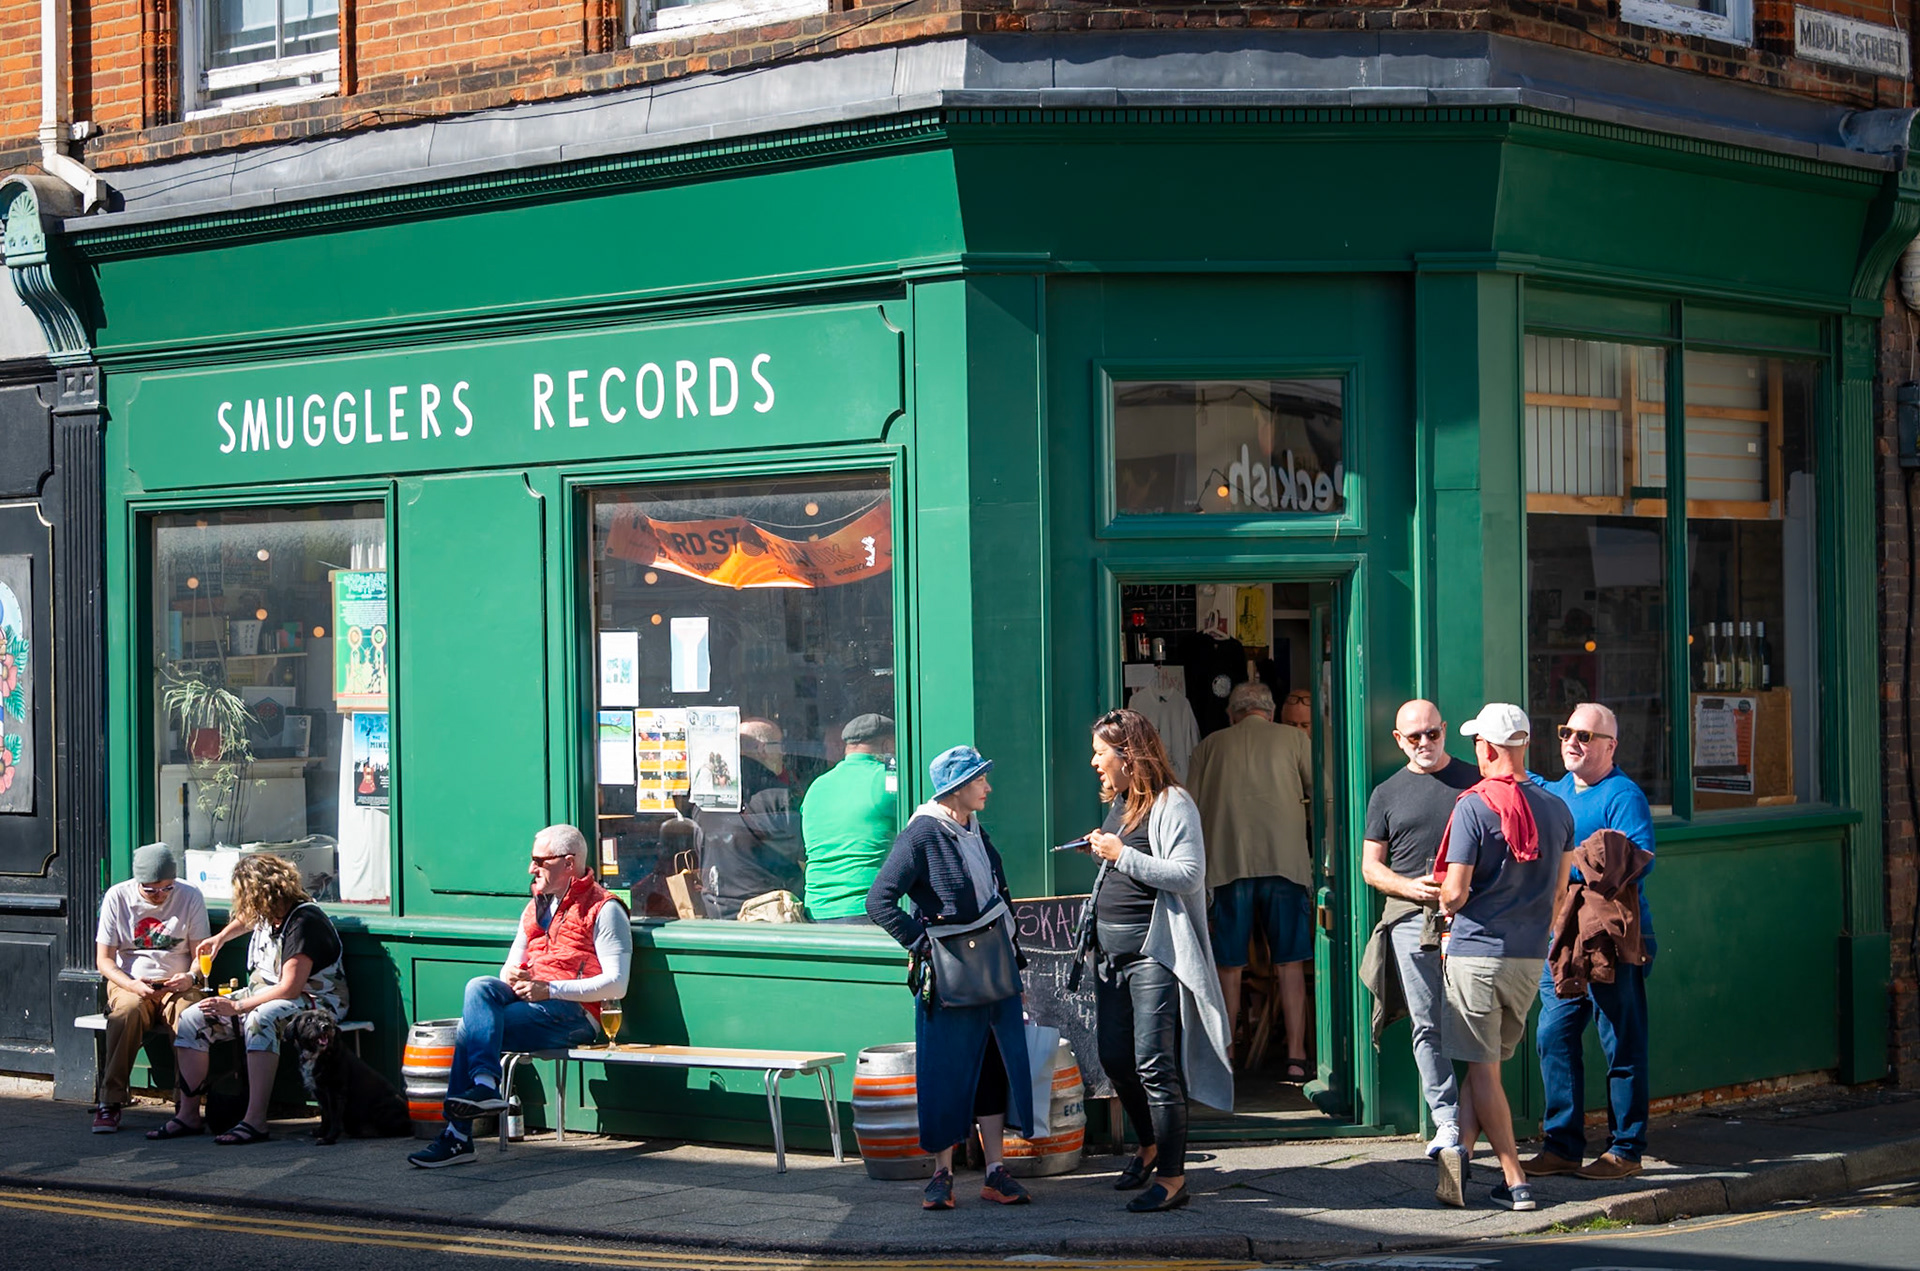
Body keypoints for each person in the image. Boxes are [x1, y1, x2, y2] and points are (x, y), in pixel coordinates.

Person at [865, 745, 1034, 1211]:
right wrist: (924, 945)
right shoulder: (921, 834)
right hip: (947, 978)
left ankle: (996, 1172)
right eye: (981, 780)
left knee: (994, 1068)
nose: (989, 787)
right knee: (945, 1071)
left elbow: (997, 896)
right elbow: (878, 902)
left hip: (994, 971)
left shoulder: (975, 830)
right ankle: (941, 1175)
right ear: (957, 788)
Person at [408, 824, 632, 1168]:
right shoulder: (535, 907)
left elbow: (617, 984)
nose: (531, 868)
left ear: (568, 863)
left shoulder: (604, 908)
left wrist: (550, 989)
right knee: (479, 986)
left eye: (539, 861)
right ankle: (483, 1087)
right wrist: (513, 975)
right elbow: (508, 969)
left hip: (574, 1015)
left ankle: (459, 1133)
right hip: (531, 1002)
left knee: (471, 1031)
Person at [1083, 709, 1234, 1213]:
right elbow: (1123, 858)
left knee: (1154, 1064)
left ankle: (1172, 1178)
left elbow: (1190, 875)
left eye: (1101, 754)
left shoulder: (1174, 803)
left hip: (1153, 954)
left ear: (1129, 755)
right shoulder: (1122, 803)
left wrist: (1120, 855)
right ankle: (1147, 1146)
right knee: (1114, 1058)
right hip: (1111, 954)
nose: (1094, 762)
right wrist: (1106, 852)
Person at [1433, 703, 1574, 1213]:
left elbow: (1455, 892)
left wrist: (1440, 896)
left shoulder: (1472, 807)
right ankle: (1462, 1161)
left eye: (1477, 742)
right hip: (1528, 958)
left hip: (1476, 952)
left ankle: (1515, 1179)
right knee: (1482, 1065)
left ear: (1487, 749)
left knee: (1485, 1072)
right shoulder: (1558, 808)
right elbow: (1560, 892)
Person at [1528, 702, 1657, 1181]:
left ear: (1610, 746)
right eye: (1567, 732)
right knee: (1552, 1036)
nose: (1573, 742)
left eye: (1586, 735)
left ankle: (1626, 1149)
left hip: (1610, 942)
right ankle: (1562, 1145)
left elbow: (1639, 859)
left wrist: (1571, 867)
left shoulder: (1623, 795)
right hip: (1562, 941)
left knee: (1620, 1041)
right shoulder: (1554, 791)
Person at [148, 852, 349, 1146]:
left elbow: (290, 988)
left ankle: (255, 1120)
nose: (243, 904)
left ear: (263, 895)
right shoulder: (270, 911)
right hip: (265, 993)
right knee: (193, 1018)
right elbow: (246, 919)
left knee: (260, 1019)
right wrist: (220, 939)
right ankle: (188, 1114)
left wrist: (237, 1007)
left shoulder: (304, 923)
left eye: (246, 896)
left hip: (316, 1001)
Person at [1359, 699, 1479, 1157]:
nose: (1425, 743)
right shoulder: (1386, 793)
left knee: (1476, 1021)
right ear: (1398, 740)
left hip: (1472, 917)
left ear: (1445, 730)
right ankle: (1446, 1121)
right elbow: (1370, 868)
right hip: (1411, 920)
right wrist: (1413, 888)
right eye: (1415, 737)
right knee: (1428, 1023)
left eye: (1433, 733)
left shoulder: (1474, 780)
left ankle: (1480, 1116)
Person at [1186, 681, 1314, 1079]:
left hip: (1227, 867)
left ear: (1232, 714)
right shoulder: (1294, 741)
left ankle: (1226, 1056)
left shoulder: (1209, 746)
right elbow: (1322, 794)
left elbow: (1187, 807)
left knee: (1230, 967)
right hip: (1286, 865)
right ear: (1270, 712)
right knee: (1291, 964)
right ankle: (1296, 1057)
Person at [91, 843, 209, 1133]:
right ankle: (111, 1100)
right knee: (126, 1013)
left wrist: (191, 977)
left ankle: (187, 1102)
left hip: (178, 982)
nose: (160, 896)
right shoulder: (117, 897)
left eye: (167, 888)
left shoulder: (190, 895)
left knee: (188, 1016)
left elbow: (201, 955)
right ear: (137, 883)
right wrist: (130, 984)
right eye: (152, 890)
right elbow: (104, 961)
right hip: (131, 981)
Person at [800, 713, 898, 924]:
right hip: (867, 907)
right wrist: (893, 759)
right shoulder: (886, 778)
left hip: (817, 909)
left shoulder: (817, 786)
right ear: (888, 743)